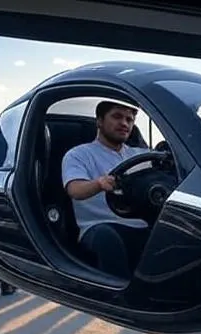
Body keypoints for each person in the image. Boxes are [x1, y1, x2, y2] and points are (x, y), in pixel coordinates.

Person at [62, 100, 150, 278]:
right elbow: (75, 189)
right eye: (117, 116)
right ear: (99, 121)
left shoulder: (141, 156)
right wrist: (98, 184)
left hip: (143, 226)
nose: (124, 123)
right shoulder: (78, 154)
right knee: (106, 238)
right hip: (99, 227)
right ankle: (119, 302)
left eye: (129, 119)